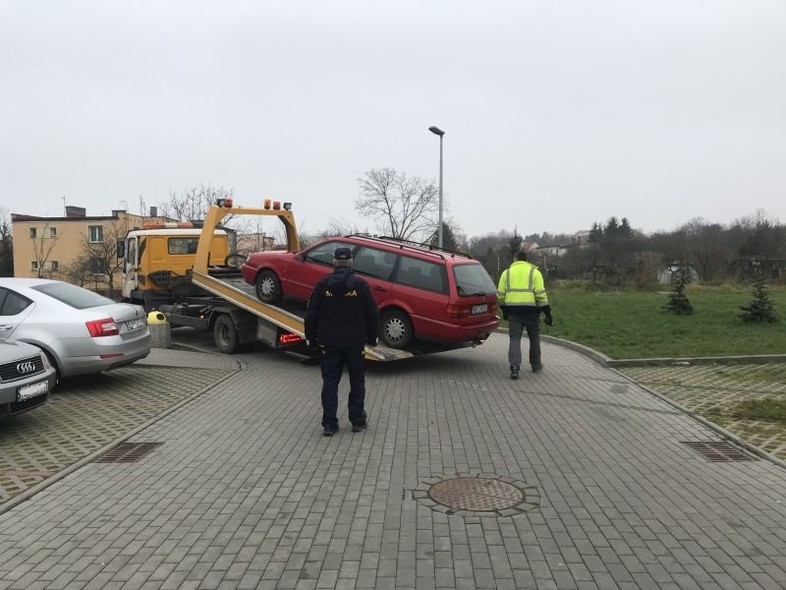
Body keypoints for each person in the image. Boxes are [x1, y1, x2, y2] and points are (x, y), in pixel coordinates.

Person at [304, 247, 380, 436]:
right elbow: (372, 314)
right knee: (357, 381)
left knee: (330, 382)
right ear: (351, 262)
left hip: (330, 343)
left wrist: (311, 339)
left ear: (334, 262)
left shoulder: (323, 285)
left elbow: (311, 314)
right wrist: (372, 338)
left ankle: (329, 424)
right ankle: (358, 421)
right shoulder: (361, 285)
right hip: (355, 343)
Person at [497, 250, 553, 379]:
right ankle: (536, 365)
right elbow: (541, 296)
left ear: (515, 259)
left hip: (513, 312)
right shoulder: (535, 273)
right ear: (526, 260)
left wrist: (504, 310)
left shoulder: (507, 273)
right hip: (532, 312)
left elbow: (500, 295)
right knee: (534, 338)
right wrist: (547, 314)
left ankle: (515, 368)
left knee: (515, 339)